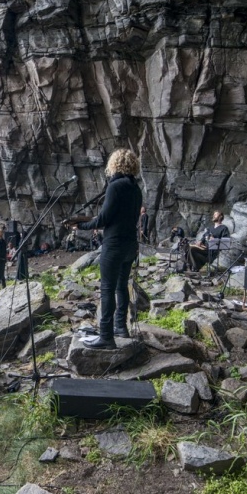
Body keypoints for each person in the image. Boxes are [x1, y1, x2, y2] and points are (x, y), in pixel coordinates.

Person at [72, 149, 142, 349]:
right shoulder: (135, 188)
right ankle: (120, 327)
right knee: (121, 287)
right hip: (130, 245)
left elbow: (103, 219)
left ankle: (106, 337)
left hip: (114, 245)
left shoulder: (116, 187)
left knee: (107, 288)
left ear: (114, 164)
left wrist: (81, 226)